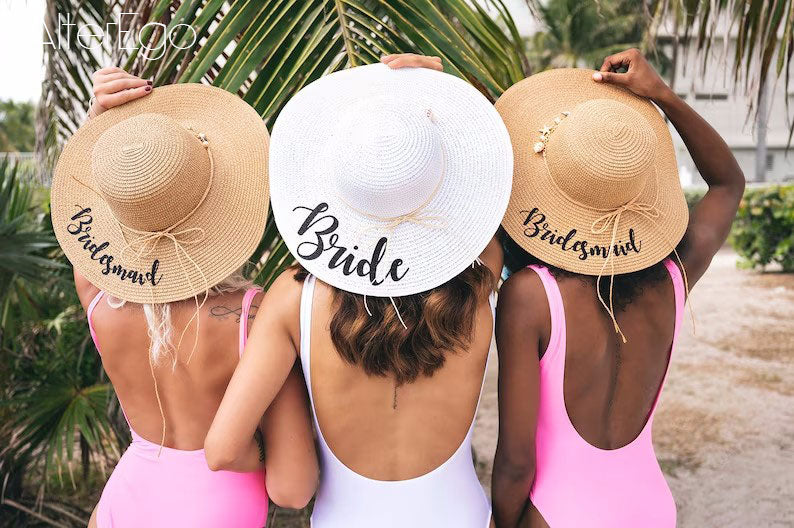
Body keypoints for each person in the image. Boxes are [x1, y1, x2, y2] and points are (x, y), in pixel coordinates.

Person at [205, 57, 513, 527]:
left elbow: (224, 449)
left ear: (335, 188)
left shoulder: (294, 299)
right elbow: (496, 193)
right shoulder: (479, 277)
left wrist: (289, 454)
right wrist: (444, 94)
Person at [51, 72, 318, 527]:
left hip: (123, 505)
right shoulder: (253, 316)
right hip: (217, 511)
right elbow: (291, 488)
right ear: (224, 200)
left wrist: (99, 127)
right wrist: (251, 452)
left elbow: (87, 231)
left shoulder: (96, 297)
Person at [491, 48, 745, 528]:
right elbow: (728, 184)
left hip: (558, 511)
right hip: (650, 507)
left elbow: (516, 462)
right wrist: (662, 96)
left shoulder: (530, 296)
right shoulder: (673, 278)